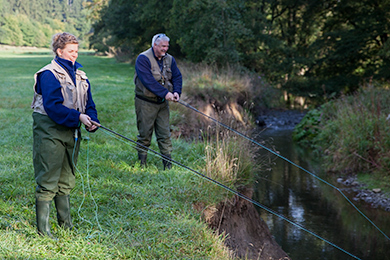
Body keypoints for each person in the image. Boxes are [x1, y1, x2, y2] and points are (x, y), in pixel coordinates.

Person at [31, 32, 100, 238]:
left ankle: (66, 226)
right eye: (70, 51)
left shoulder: (80, 74)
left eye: (76, 51)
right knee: (48, 178)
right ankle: (43, 232)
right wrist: (78, 117)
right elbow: (53, 107)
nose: (74, 55)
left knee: (67, 178)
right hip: (49, 130)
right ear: (59, 51)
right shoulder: (48, 74)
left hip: (71, 130)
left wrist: (91, 118)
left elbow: (89, 102)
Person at [133, 33, 182, 170]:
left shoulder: (170, 59)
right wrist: (165, 93)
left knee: (165, 134)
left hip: (162, 104)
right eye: (162, 46)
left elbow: (177, 76)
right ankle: (141, 165)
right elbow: (148, 81)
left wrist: (177, 92)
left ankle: (168, 167)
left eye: (167, 46)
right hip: (145, 102)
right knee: (145, 134)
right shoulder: (143, 59)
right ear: (155, 45)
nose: (165, 49)